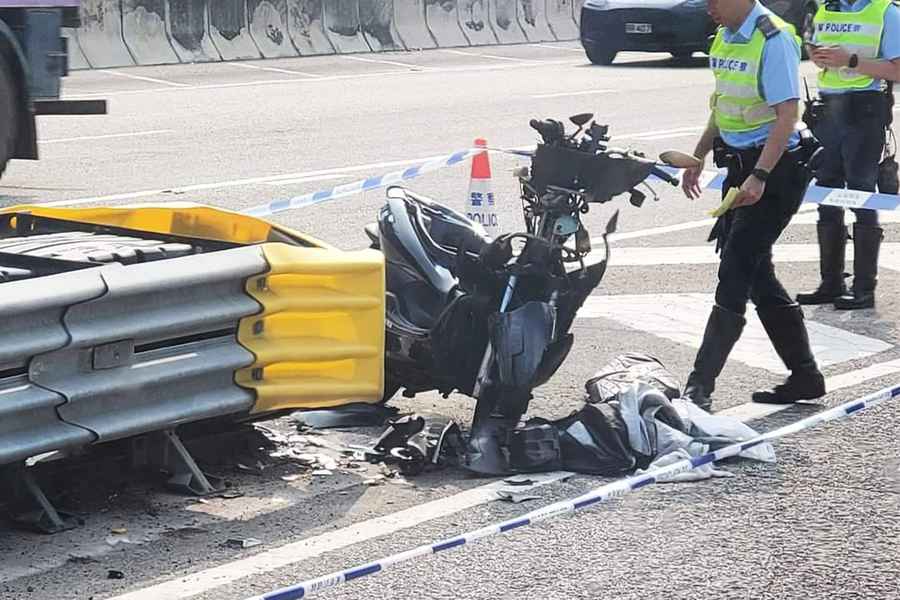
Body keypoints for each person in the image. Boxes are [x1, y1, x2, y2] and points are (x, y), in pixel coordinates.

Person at [680, 0, 826, 409]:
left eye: (713, 1)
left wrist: (759, 176)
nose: (708, 8)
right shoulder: (726, 35)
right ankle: (806, 375)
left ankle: (699, 387)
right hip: (740, 166)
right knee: (759, 276)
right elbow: (722, 105)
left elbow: (786, 115)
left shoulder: (772, 38)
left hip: (774, 171)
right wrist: (699, 155)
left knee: (736, 271)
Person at [795, 0, 900, 310]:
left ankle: (864, 289)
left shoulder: (886, 12)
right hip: (828, 110)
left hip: (864, 112)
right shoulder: (825, 8)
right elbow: (821, 55)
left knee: (861, 192)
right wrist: (819, 57)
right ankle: (831, 282)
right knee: (826, 191)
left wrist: (849, 60)